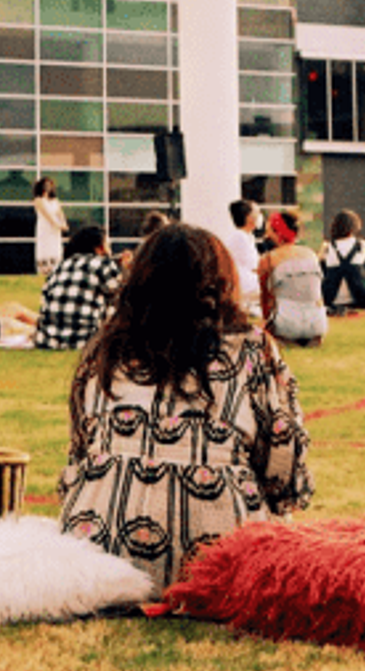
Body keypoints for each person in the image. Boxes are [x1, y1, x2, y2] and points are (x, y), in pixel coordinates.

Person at [60, 223, 312, 593]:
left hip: (99, 550)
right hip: (221, 557)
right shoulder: (251, 349)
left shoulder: (104, 350)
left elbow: (80, 454)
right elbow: (284, 466)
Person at [32, 225, 121, 351]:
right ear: (99, 248)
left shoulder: (59, 267)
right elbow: (123, 299)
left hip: (47, 341)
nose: (110, 251)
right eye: (108, 246)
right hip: (85, 341)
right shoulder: (104, 264)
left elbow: (45, 303)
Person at [258, 212, 328, 347]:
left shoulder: (268, 259)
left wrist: (266, 324)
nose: (266, 236)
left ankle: (287, 338)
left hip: (286, 325)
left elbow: (265, 300)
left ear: (277, 233)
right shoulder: (311, 254)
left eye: (269, 231)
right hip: (317, 325)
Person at [320, 209, 365, 312]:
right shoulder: (361, 244)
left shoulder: (327, 247)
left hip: (332, 297)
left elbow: (318, 261)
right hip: (359, 297)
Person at [221, 199, 263, 317]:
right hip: (245, 288)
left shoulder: (247, 237)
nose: (260, 216)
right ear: (249, 217)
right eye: (257, 213)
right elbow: (255, 266)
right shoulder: (239, 238)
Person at [32, 177, 69, 278]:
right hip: (45, 227)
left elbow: (60, 213)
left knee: (55, 247)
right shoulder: (38, 200)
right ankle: (44, 270)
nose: (48, 187)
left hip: (55, 229)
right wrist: (55, 224)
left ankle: (55, 269)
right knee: (45, 246)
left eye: (50, 184)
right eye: (46, 185)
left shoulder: (55, 200)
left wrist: (63, 223)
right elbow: (46, 214)